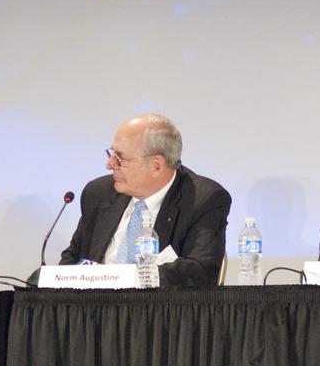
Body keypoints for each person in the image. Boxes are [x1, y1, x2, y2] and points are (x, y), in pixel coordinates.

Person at [60, 113, 231, 287]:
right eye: (110, 154)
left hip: (160, 310)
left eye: (120, 158)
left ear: (156, 166)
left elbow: (199, 271)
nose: (109, 165)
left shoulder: (204, 199)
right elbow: (73, 258)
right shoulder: (98, 193)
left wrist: (119, 278)